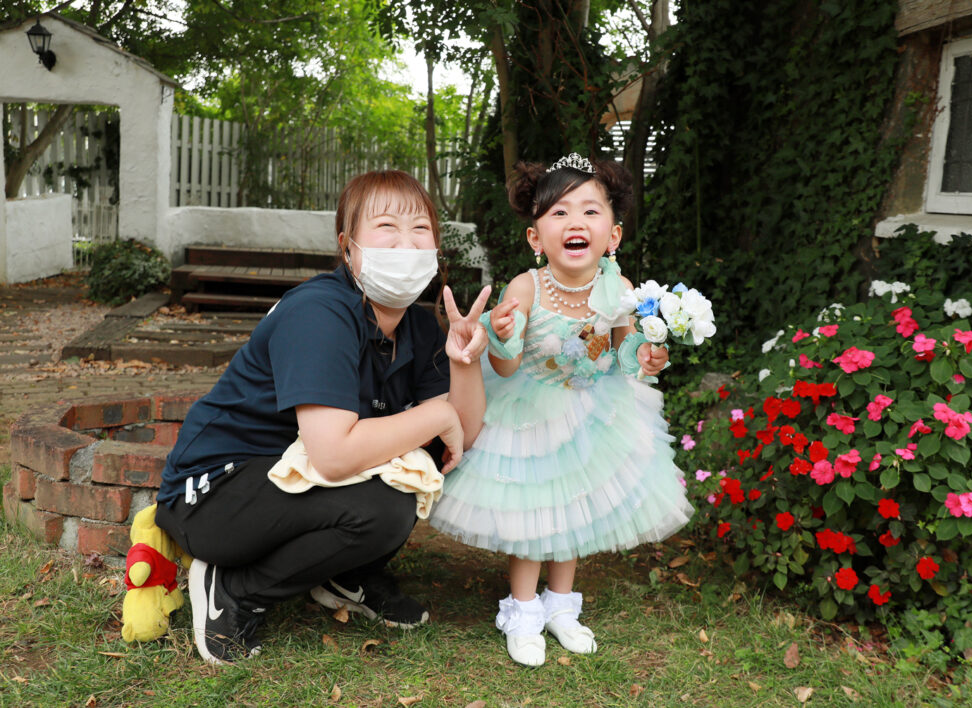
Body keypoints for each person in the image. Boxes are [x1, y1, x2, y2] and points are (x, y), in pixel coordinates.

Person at [154, 170, 490, 665]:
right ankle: (233, 586)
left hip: (290, 484)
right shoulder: (319, 312)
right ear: (347, 247)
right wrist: (437, 413)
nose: (406, 243)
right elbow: (333, 455)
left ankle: (344, 575)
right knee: (385, 504)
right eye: (385, 228)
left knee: (416, 469)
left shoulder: (418, 324)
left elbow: (460, 435)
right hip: (214, 497)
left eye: (420, 230)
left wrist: (465, 364)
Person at [429, 154, 694, 666]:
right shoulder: (526, 288)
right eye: (559, 213)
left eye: (590, 212)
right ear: (536, 238)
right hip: (530, 408)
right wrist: (503, 339)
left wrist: (645, 355)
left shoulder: (620, 290)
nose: (576, 223)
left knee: (575, 508)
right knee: (534, 511)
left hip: (594, 409)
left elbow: (621, 354)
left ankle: (561, 607)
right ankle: (523, 610)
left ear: (613, 236)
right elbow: (505, 369)